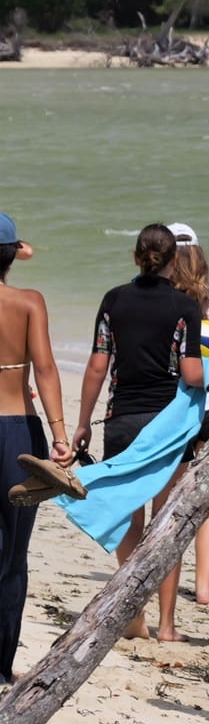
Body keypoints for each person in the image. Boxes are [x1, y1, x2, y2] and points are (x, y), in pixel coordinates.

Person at [74, 225, 203, 642]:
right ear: (173, 261)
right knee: (167, 523)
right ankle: (167, 624)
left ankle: (133, 614)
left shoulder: (114, 300)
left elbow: (98, 364)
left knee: (133, 518)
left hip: (122, 421)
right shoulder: (185, 306)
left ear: (136, 258)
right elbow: (190, 371)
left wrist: (82, 423)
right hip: (167, 425)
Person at [0, 213, 73, 682]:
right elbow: (45, 369)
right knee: (13, 550)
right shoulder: (28, 303)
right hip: (17, 433)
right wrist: (62, 436)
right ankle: (1, 666)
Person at [168, 241, 209, 609]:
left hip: (175, 407)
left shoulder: (165, 304)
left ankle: (161, 578)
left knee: (171, 497)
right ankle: (204, 588)